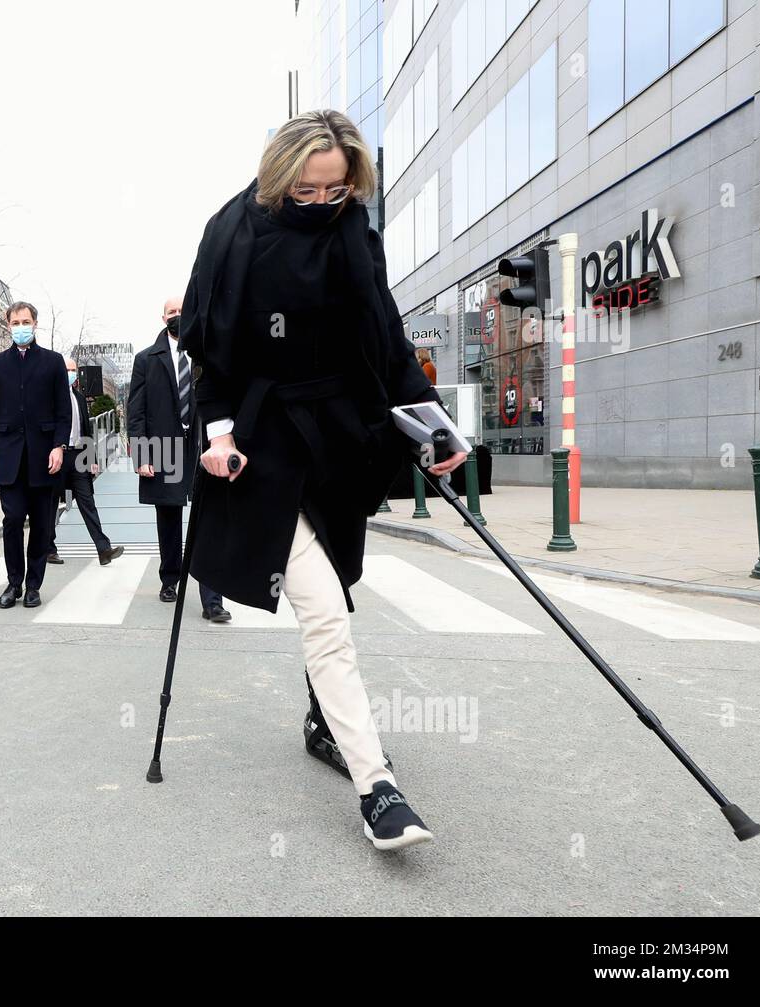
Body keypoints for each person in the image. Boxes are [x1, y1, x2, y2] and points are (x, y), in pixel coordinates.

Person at [178, 110, 466, 851]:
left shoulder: (353, 230)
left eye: (333, 191)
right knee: (326, 615)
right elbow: (209, 348)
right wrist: (215, 435)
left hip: (341, 437)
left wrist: (431, 422)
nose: (318, 203)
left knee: (338, 588)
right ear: (279, 175)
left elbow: (386, 335)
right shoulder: (232, 232)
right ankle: (379, 788)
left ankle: (322, 723)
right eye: (304, 190)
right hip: (265, 435)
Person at [128, 298, 229, 622]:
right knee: (169, 519)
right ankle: (170, 579)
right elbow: (136, 410)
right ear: (163, 317)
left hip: (202, 448)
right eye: (173, 313)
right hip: (165, 448)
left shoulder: (207, 354)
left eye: (184, 312)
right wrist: (142, 454)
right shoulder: (146, 359)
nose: (178, 317)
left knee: (209, 521)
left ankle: (213, 599)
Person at [0, 301, 70, 609]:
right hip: (8, 459)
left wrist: (59, 446)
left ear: (35, 324)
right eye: (15, 322)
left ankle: (34, 585)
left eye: (25, 321)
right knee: (13, 520)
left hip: (45, 458)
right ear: (8, 325)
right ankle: (14, 582)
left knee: (42, 526)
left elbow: (63, 413)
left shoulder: (53, 362)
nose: (20, 326)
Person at [46, 357, 124, 566]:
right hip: (58, 454)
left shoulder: (79, 398)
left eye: (73, 370)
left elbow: (86, 431)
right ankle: (48, 549)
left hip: (79, 455)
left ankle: (103, 549)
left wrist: (92, 460)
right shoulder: (49, 397)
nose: (70, 373)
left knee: (87, 501)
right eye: (66, 369)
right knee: (51, 503)